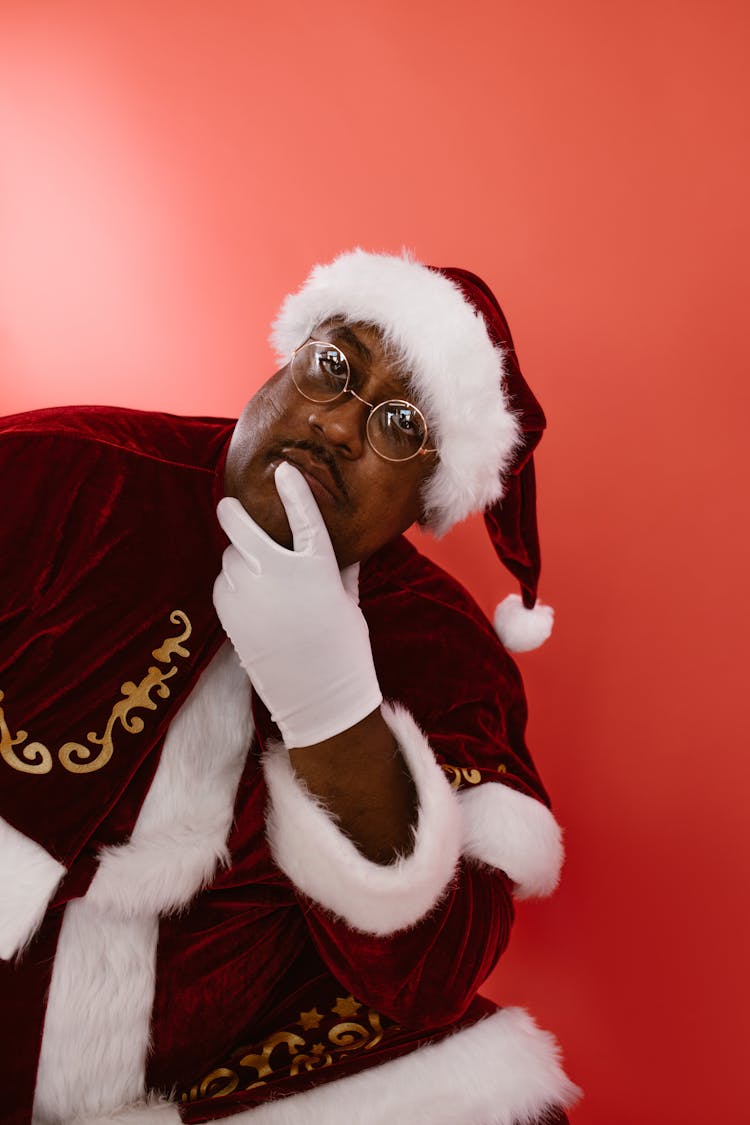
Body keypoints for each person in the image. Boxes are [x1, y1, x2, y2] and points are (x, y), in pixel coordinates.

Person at [0, 250, 579, 1124]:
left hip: (231, 1070)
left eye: (398, 426)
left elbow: (436, 970)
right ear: (287, 359)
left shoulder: (440, 642)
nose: (343, 426)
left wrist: (335, 714)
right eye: (334, 366)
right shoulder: (59, 475)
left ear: (427, 496)